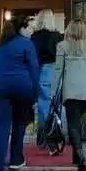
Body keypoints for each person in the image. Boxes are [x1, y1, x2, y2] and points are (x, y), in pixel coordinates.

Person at [0, 15, 41, 171]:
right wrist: (36, 94)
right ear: (20, 29)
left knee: (0, 128)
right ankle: (16, 159)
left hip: (0, 88)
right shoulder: (27, 44)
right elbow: (34, 70)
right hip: (23, 89)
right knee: (20, 124)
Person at [52, 19, 86, 171]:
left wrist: (53, 93)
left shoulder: (62, 46)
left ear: (70, 29)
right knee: (76, 123)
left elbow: (58, 71)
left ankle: (81, 158)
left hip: (72, 91)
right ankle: (76, 156)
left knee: (73, 125)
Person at [30, 9, 64, 145]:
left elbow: (33, 57)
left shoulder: (36, 37)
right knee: (57, 104)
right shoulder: (59, 36)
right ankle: (56, 133)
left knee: (44, 104)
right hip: (58, 71)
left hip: (43, 70)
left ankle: (44, 136)